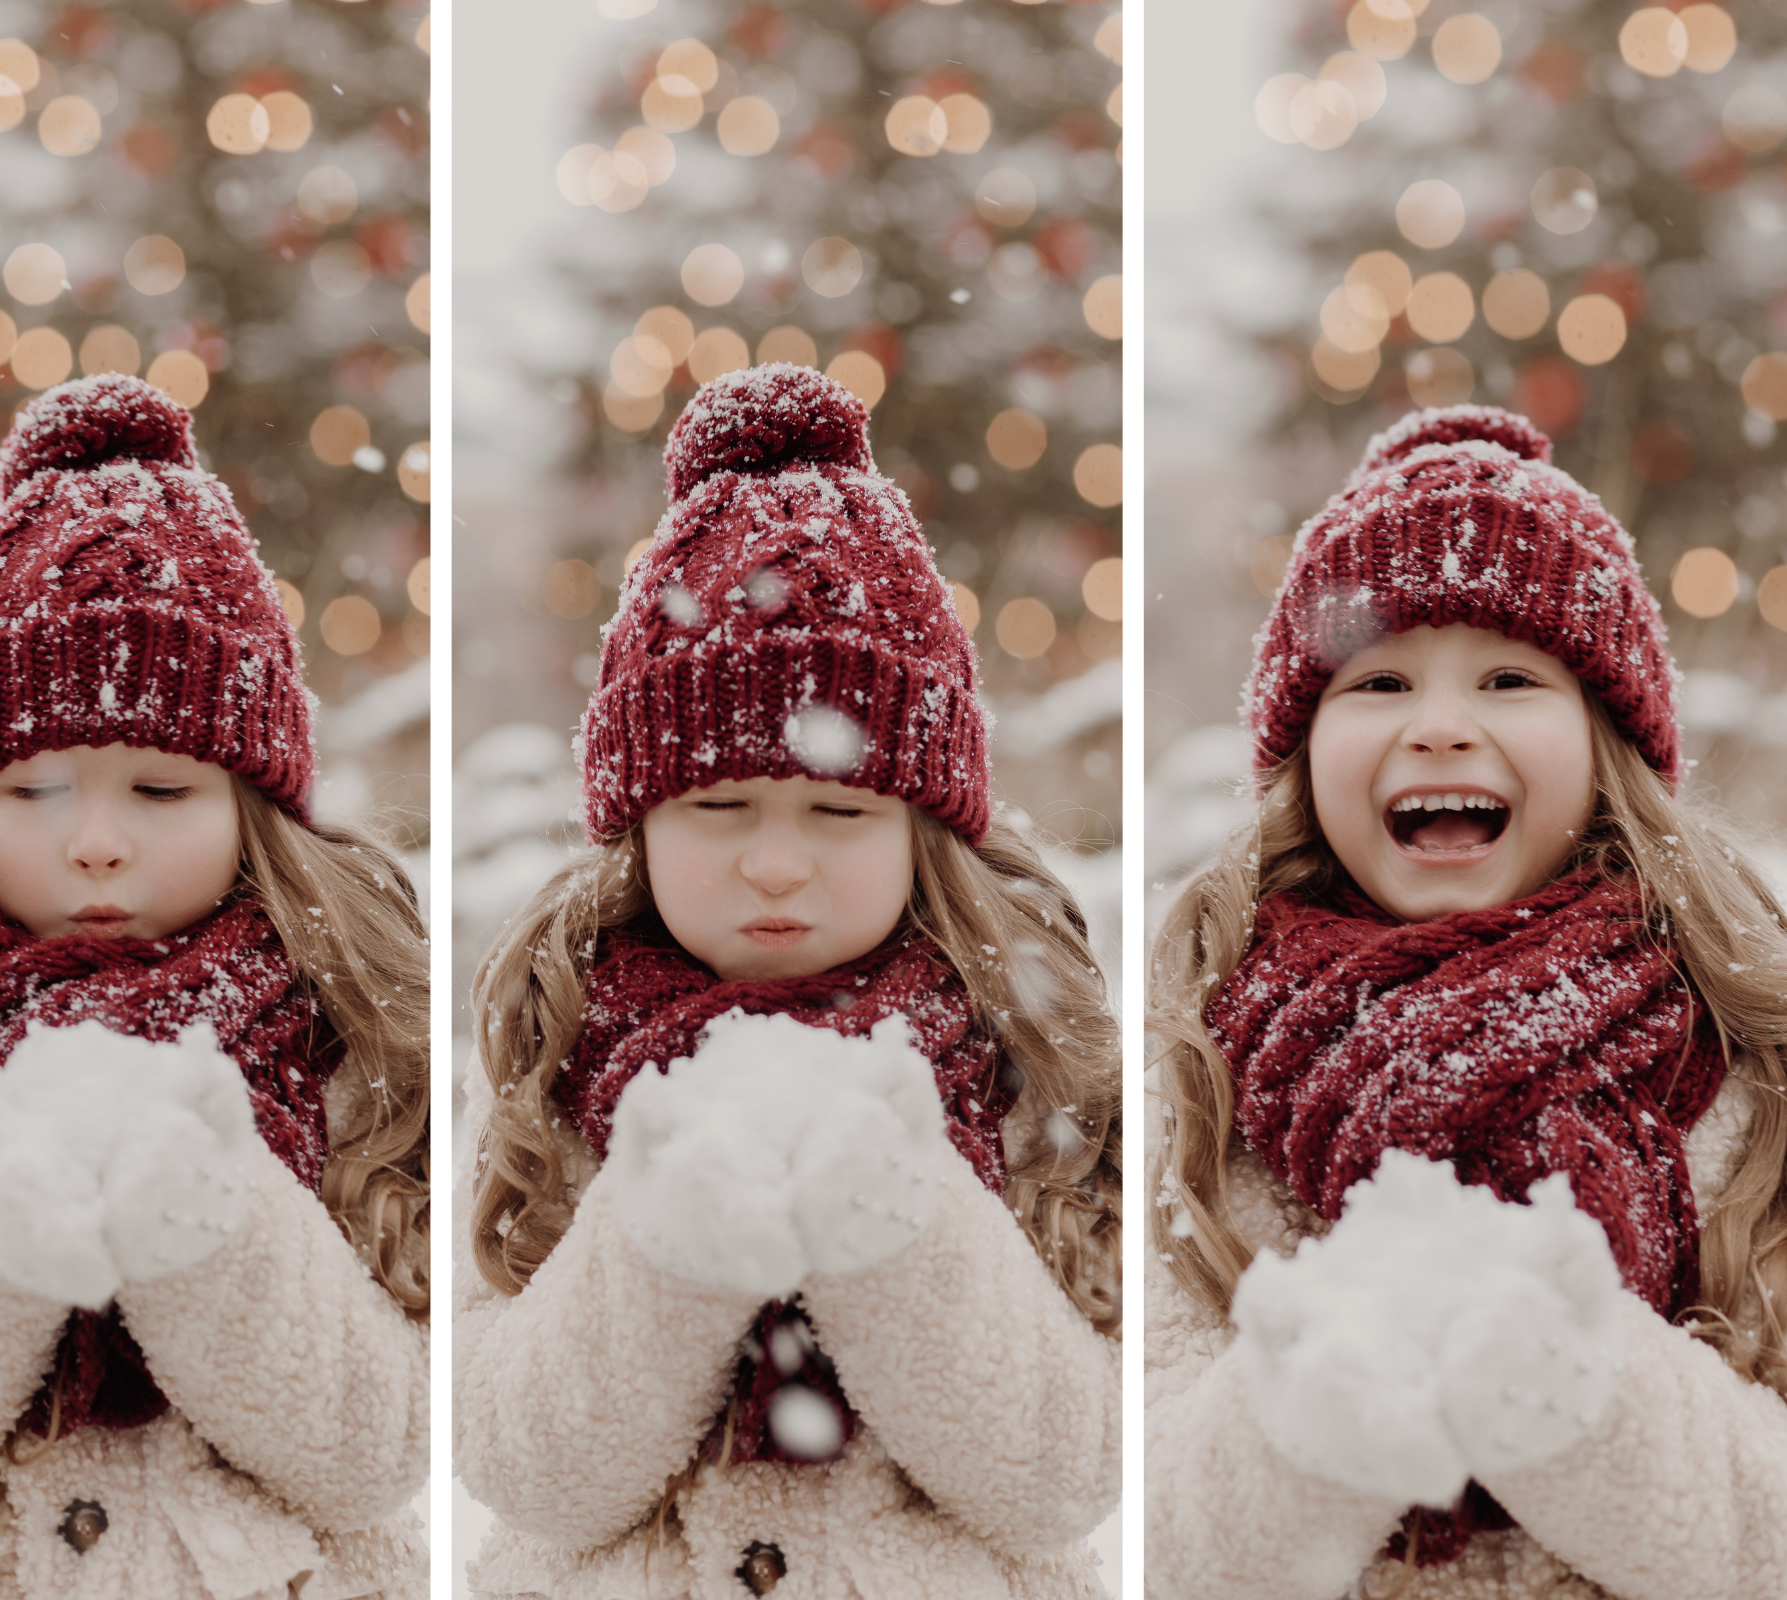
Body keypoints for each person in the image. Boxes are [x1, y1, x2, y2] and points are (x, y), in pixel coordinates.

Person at [452, 365, 1124, 1598]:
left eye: (834, 808)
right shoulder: (561, 1046)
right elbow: (530, 1470)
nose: (773, 860)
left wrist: (891, 1213)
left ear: (922, 828)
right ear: (637, 821)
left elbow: (1058, 1477)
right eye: (716, 807)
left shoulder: (1020, 1058)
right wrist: (667, 1228)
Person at [0, 374, 429, 1597]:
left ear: (253, 806)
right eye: (35, 787)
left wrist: (200, 1211)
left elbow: (371, 1448)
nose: (95, 840)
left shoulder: (343, 1028)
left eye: (159, 789)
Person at [1148, 405, 1787, 1600]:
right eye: (1378, 679)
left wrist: (1563, 1376)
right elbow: (1163, 1543)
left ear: (1606, 747)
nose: (1439, 726)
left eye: (1506, 677)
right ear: (1302, 752)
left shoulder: (1742, 1069)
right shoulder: (1207, 1077)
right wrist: (1329, 1379)